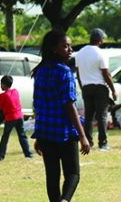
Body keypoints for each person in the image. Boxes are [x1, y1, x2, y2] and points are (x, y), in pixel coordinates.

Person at [31, 31, 91, 202]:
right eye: (65, 46)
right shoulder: (64, 72)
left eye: (70, 46)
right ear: (54, 49)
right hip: (64, 132)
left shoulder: (40, 71)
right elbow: (69, 105)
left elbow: (38, 104)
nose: (70, 50)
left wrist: (39, 134)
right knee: (73, 173)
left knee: (52, 175)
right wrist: (82, 136)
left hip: (45, 132)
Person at [74, 28, 117, 150]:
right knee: (101, 116)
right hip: (100, 87)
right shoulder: (100, 53)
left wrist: (82, 86)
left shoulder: (80, 53)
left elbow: (78, 72)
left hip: (86, 87)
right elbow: (106, 73)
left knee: (89, 116)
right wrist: (113, 89)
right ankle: (103, 143)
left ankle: (88, 141)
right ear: (99, 39)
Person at [0, 75, 34, 161]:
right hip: (20, 116)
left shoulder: (3, 95)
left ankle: (1, 155)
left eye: (1, 84)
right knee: (22, 136)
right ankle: (29, 154)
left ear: (4, 85)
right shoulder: (15, 91)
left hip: (10, 118)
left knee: (5, 137)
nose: (0, 86)